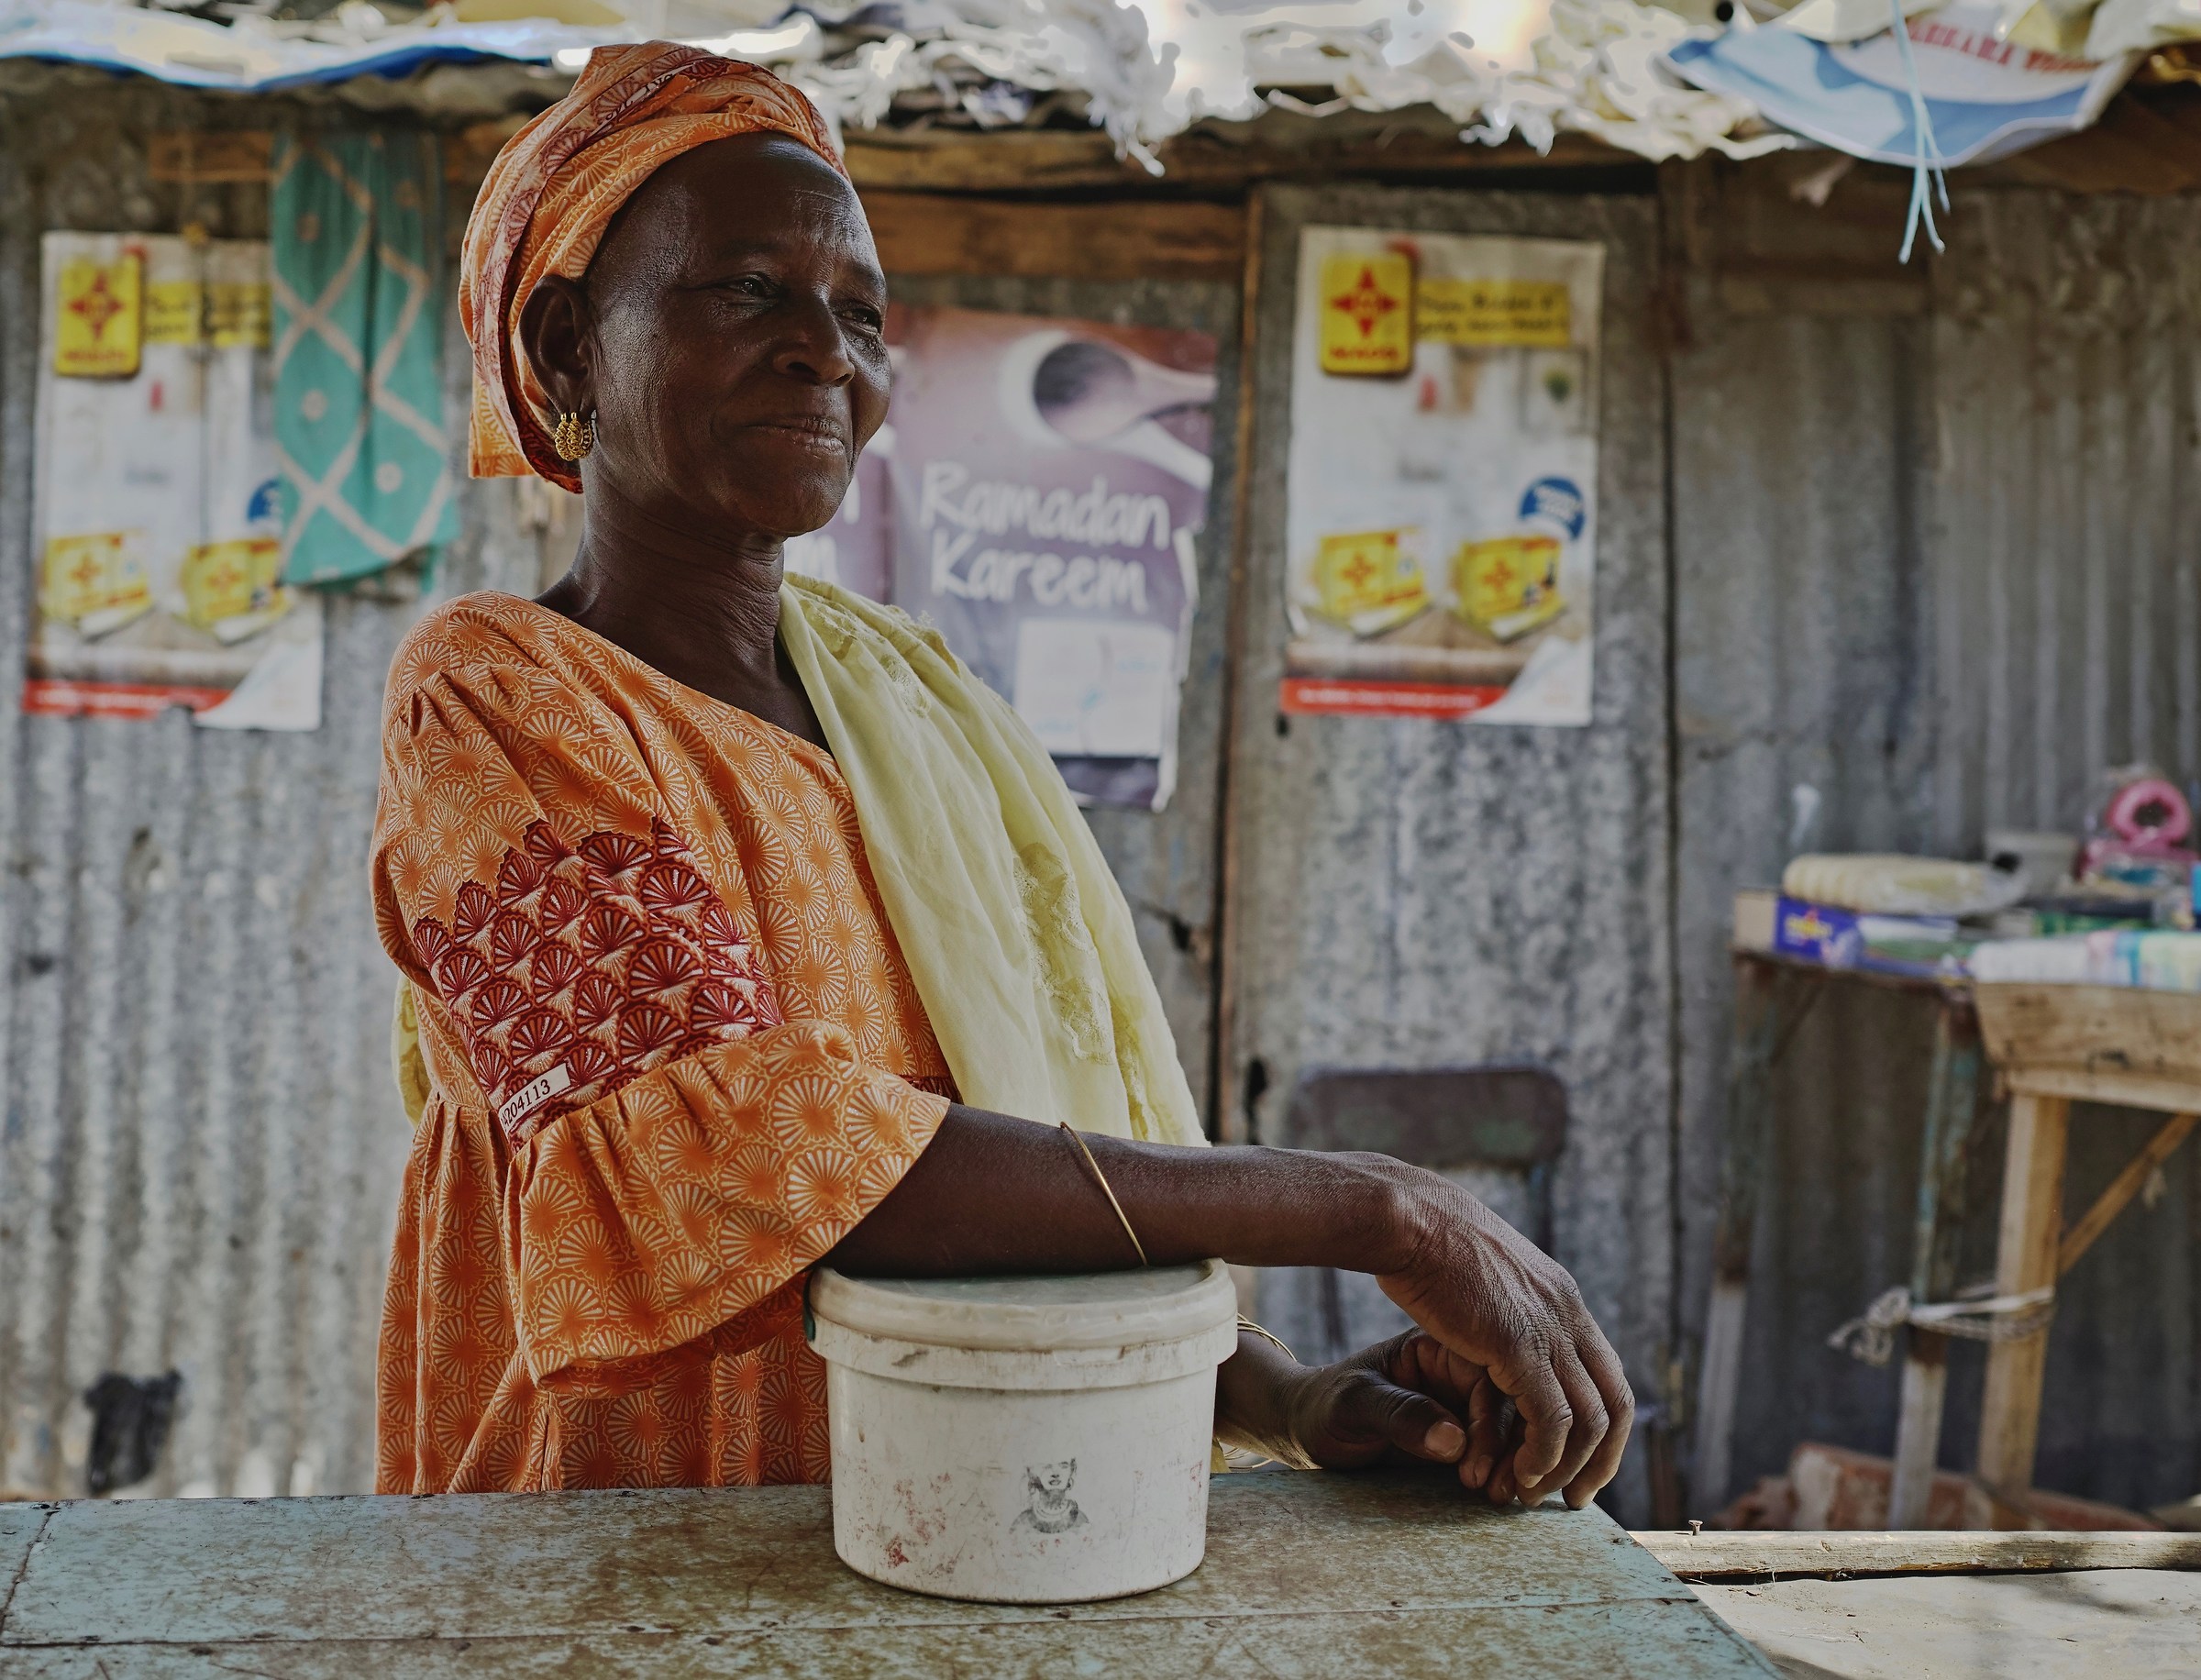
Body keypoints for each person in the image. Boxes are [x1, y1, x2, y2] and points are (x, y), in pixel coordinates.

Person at [372, 40, 1631, 1508]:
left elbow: (1016, 1126)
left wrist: (1286, 1398)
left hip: (964, 1522)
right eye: (748, 289)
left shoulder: (909, 697)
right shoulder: (500, 695)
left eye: (861, 313)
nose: (824, 352)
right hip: (623, 1546)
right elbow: (751, 1159)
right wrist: (1384, 1211)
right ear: (567, 345)